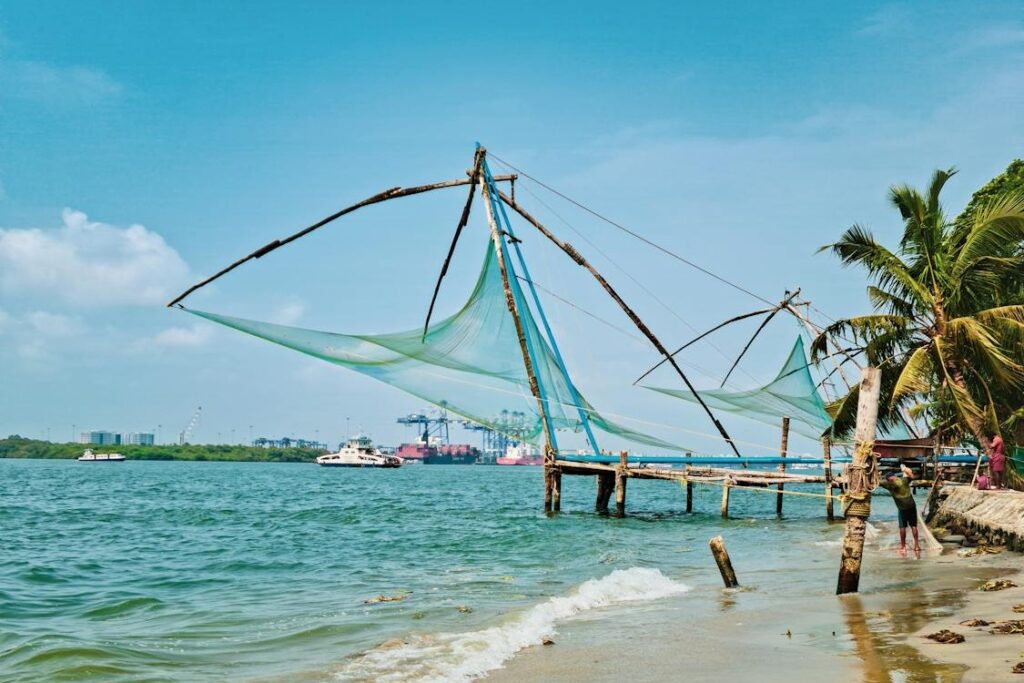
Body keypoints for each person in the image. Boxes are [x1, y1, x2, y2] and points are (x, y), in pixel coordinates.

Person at [878, 463, 919, 557]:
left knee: (902, 527)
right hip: (911, 505)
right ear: (895, 476)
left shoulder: (888, 485)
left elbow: (877, 482)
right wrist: (904, 469)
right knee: (914, 525)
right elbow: (912, 476)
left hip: (902, 508)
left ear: (888, 479)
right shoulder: (903, 480)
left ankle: (903, 547)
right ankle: (916, 546)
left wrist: (879, 476)